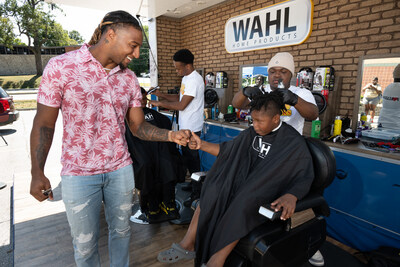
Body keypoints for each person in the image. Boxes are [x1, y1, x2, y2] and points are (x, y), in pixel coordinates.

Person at [29, 10, 189, 267]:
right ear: (111, 35)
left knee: (122, 233)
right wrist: (37, 171)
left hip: (120, 171)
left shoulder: (129, 79)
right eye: (133, 45)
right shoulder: (61, 67)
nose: (136, 54)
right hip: (78, 174)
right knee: (84, 244)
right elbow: (44, 124)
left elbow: (138, 127)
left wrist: (171, 135)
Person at [157, 93, 315, 267]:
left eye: (259, 121)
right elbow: (227, 151)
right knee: (214, 186)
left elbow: (304, 174)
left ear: (276, 118)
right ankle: (188, 243)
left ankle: (216, 261)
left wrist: (292, 195)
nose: (254, 125)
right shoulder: (251, 133)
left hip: (265, 189)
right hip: (244, 182)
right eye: (252, 120)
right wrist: (201, 144)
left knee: (244, 199)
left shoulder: (292, 141)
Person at [149, 49, 205, 206]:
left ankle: (197, 193)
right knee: (187, 159)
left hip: (192, 128)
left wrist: (159, 104)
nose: (176, 70)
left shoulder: (194, 80)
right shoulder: (186, 78)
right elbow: (179, 97)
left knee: (193, 161)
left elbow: (181, 105)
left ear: (187, 66)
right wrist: (161, 95)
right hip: (185, 126)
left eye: (178, 67)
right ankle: (193, 184)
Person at [125, 88, 185, 224]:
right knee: (147, 167)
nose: (143, 101)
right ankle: (152, 207)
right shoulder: (126, 118)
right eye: (140, 99)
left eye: (145, 99)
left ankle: (168, 204)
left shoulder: (158, 117)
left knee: (169, 164)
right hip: (141, 157)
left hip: (159, 154)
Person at [232, 52, 318, 135]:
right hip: (263, 143)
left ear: (291, 75)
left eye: (283, 72)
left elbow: (313, 115)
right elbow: (237, 105)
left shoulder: (301, 93)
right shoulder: (261, 91)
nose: (277, 75)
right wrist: (244, 92)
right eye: (272, 72)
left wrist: (295, 100)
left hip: (289, 145)